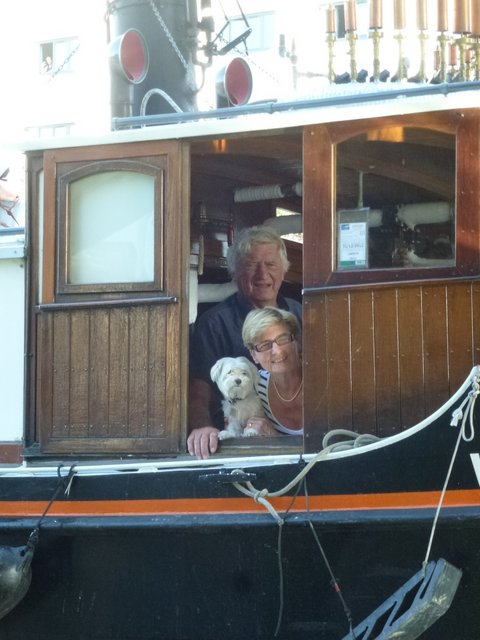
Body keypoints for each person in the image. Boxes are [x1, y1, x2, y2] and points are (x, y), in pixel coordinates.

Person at [187, 226, 301, 459]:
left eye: (270, 264)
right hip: (239, 443)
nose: (262, 275)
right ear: (235, 273)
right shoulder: (214, 323)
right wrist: (202, 428)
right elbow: (198, 391)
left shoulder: (301, 312)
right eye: (251, 265)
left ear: (283, 270)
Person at [242, 307, 302, 435]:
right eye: (265, 345)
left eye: (283, 339)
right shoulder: (254, 387)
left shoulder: (322, 377)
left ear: (297, 341)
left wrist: (275, 438)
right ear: (254, 355)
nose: (277, 351)